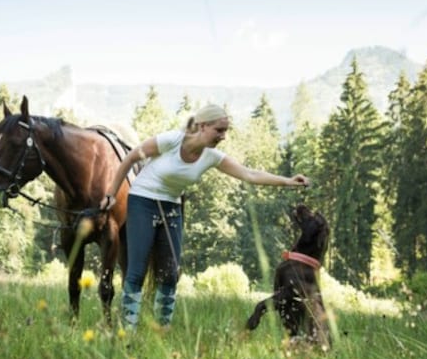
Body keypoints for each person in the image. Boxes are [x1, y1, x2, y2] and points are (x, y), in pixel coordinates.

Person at [100, 104, 310, 330]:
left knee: (170, 273)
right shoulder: (171, 141)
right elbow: (131, 157)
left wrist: (287, 181)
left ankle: (162, 328)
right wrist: (111, 193)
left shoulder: (211, 157)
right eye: (219, 130)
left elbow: (249, 174)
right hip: (143, 201)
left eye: (225, 131)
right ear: (202, 126)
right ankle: (127, 330)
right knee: (137, 270)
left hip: (172, 205)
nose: (223, 136)